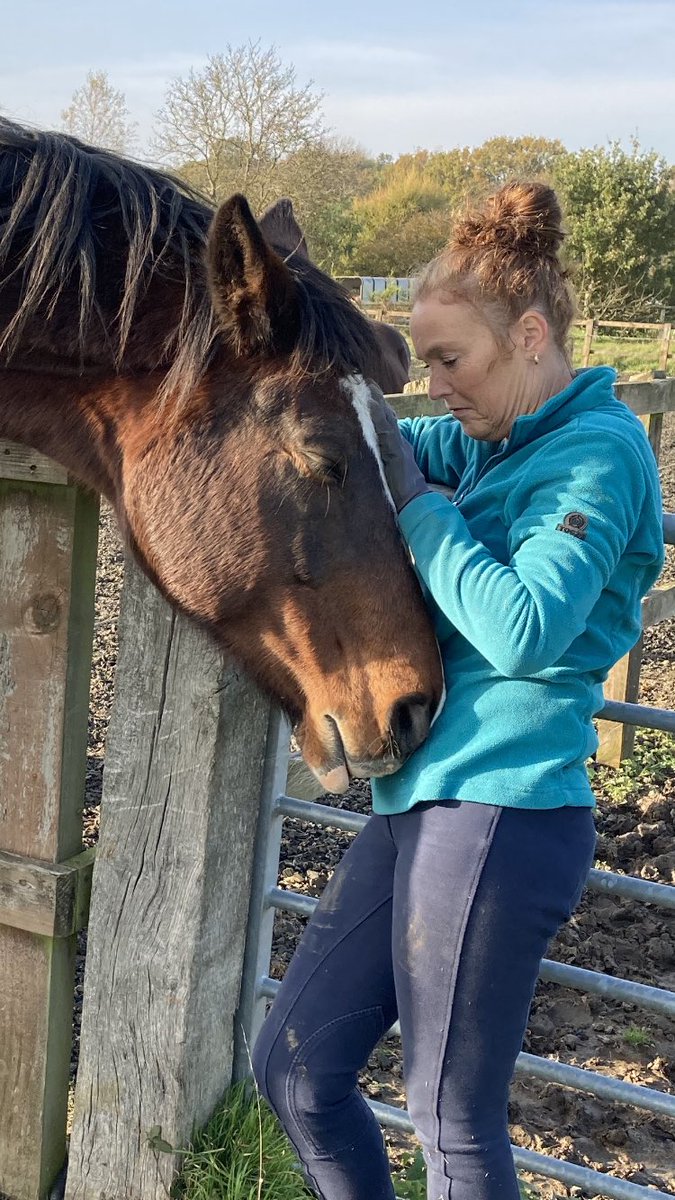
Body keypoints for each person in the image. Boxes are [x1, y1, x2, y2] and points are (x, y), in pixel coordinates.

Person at [251, 182, 665, 1200]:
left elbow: (526, 630)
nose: (436, 389)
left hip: (504, 813)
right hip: (424, 808)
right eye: (424, 364)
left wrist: (427, 516)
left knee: (451, 1122)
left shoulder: (599, 456)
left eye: (450, 361)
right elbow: (372, 445)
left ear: (529, 336)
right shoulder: (489, 438)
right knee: (295, 1066)